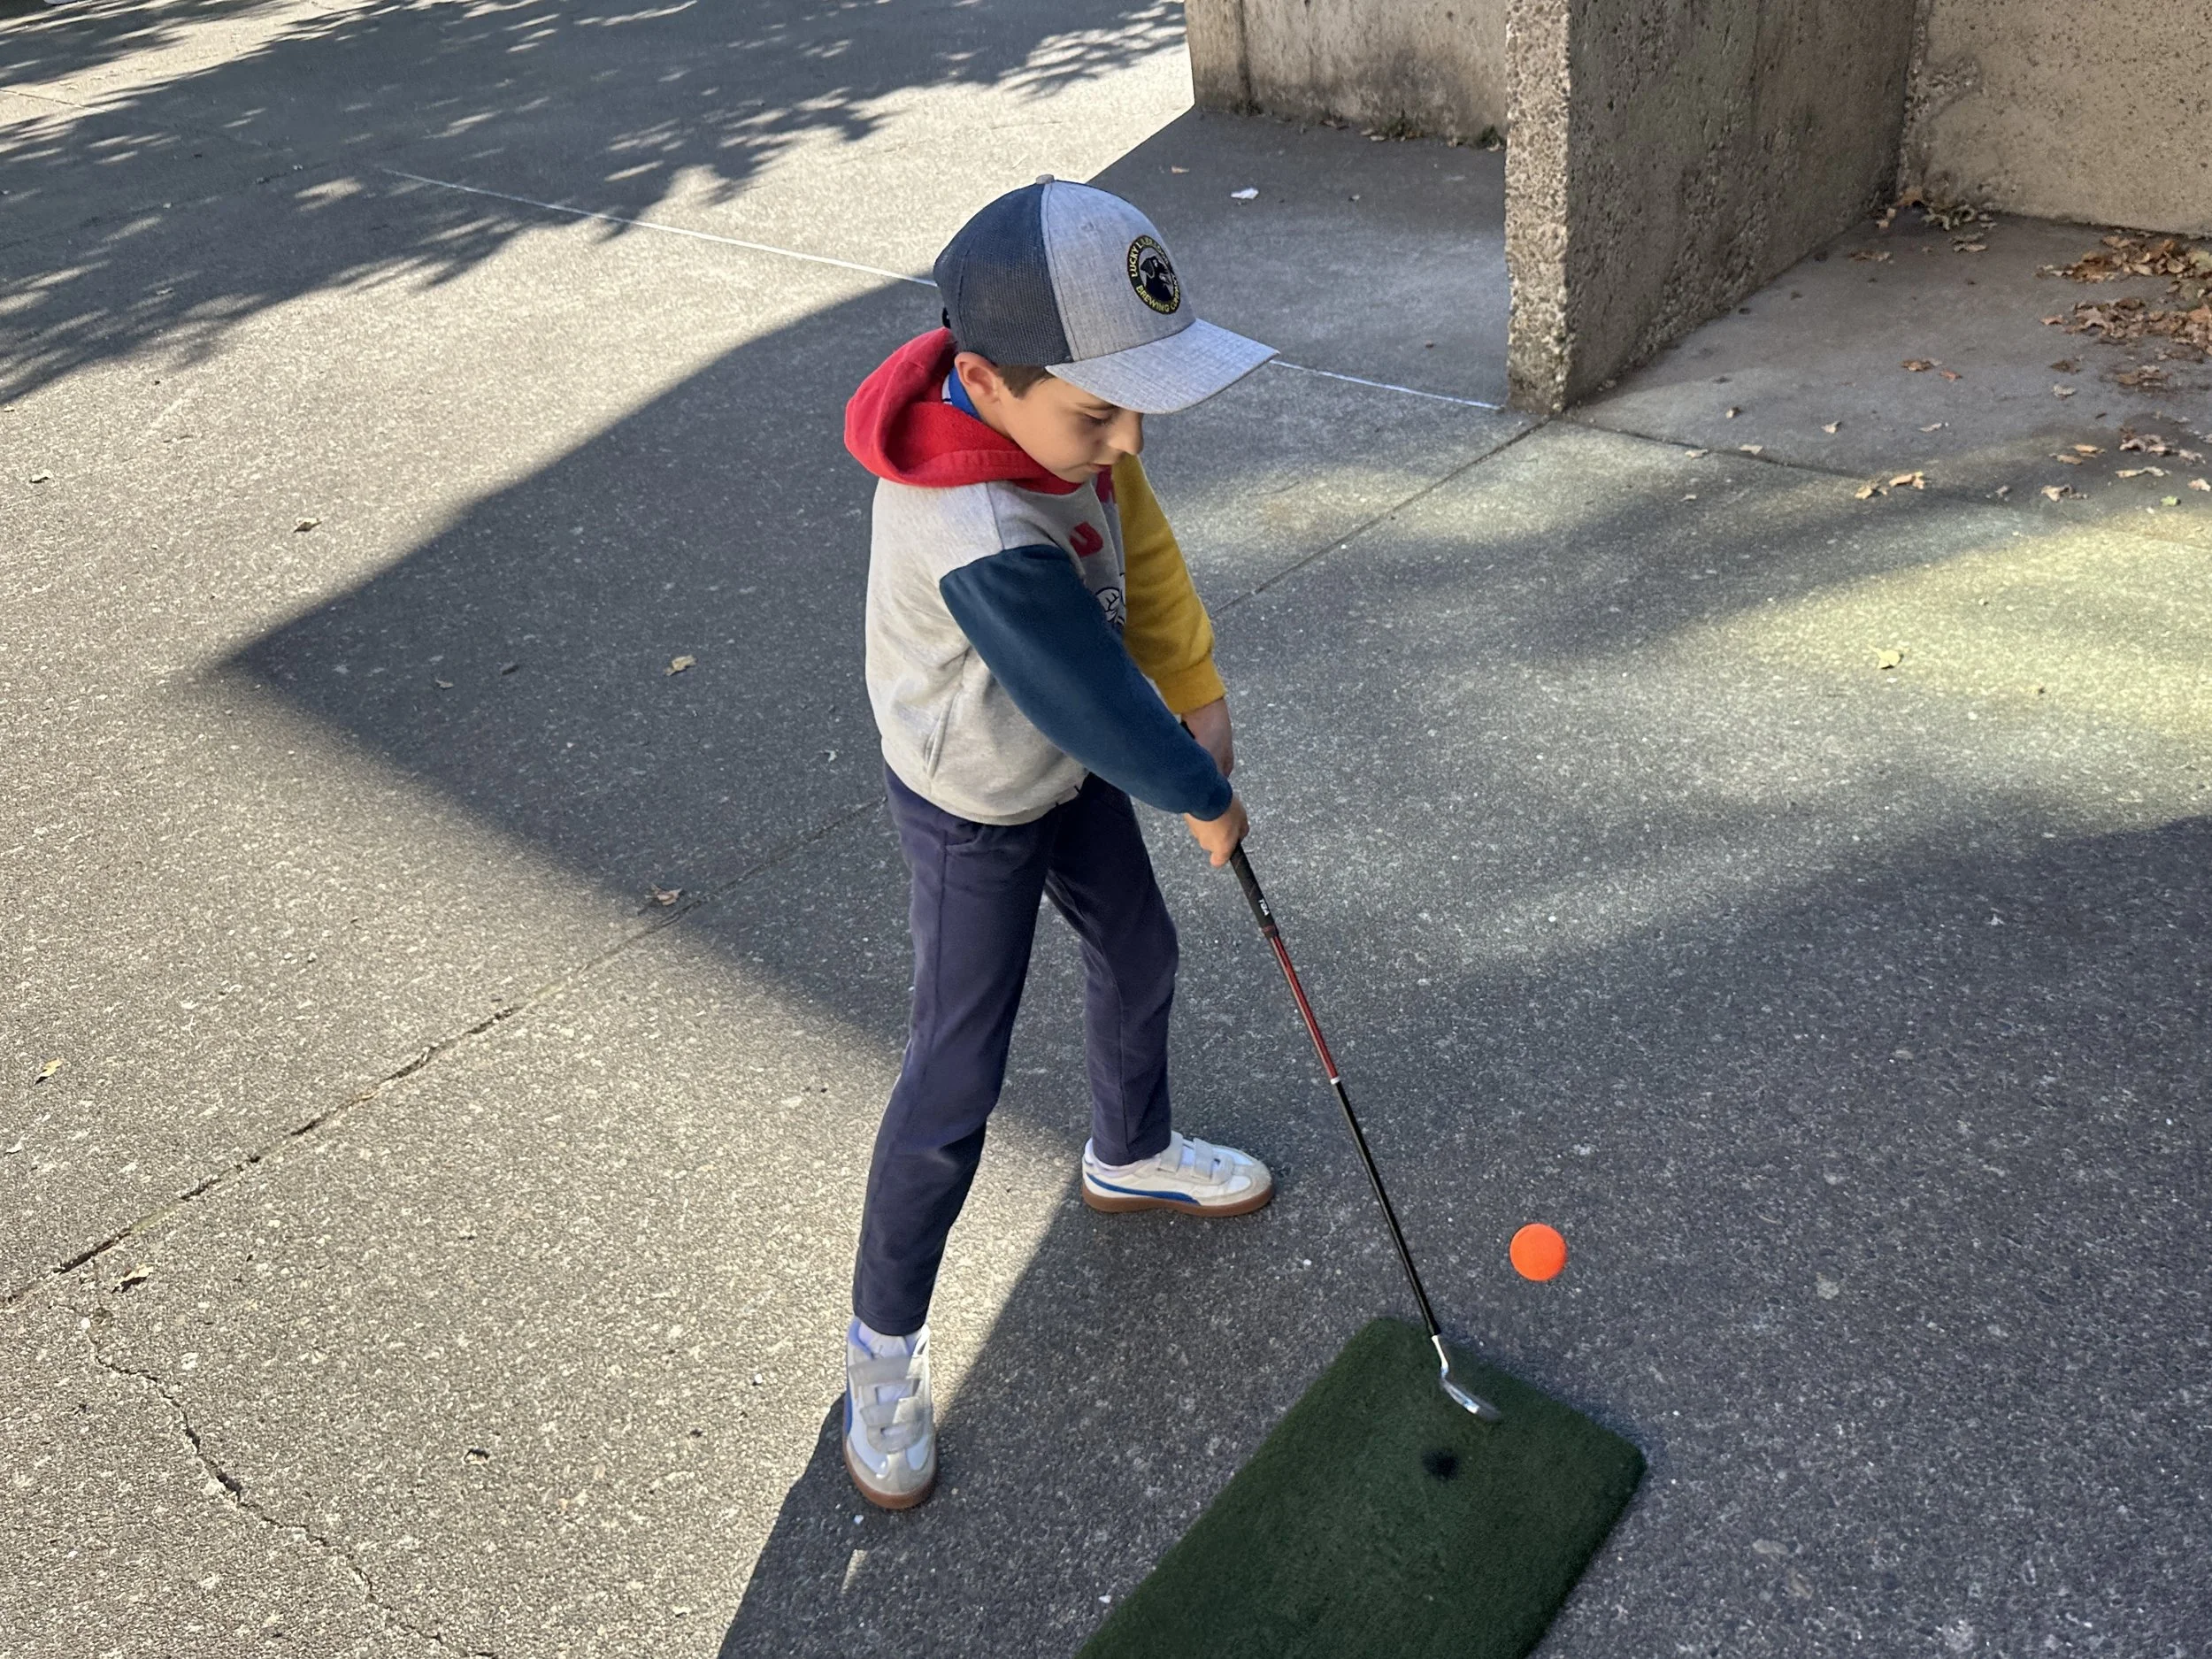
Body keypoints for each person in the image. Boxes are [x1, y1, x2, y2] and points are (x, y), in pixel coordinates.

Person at [837, 176, 1279, 1509]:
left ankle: (1128, 1152)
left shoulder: (1075, 430)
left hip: (1063, 766)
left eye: (1137, 405)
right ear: (982, 380)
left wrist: (1193, 682)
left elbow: (1141, 544)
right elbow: (1083, 690)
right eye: (1101, 412)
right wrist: (1198, 791)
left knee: (1138, 950)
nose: (1129, 439)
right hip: (972, 800)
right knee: (954, 1074)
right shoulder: (972, 528)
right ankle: (881, 1346)